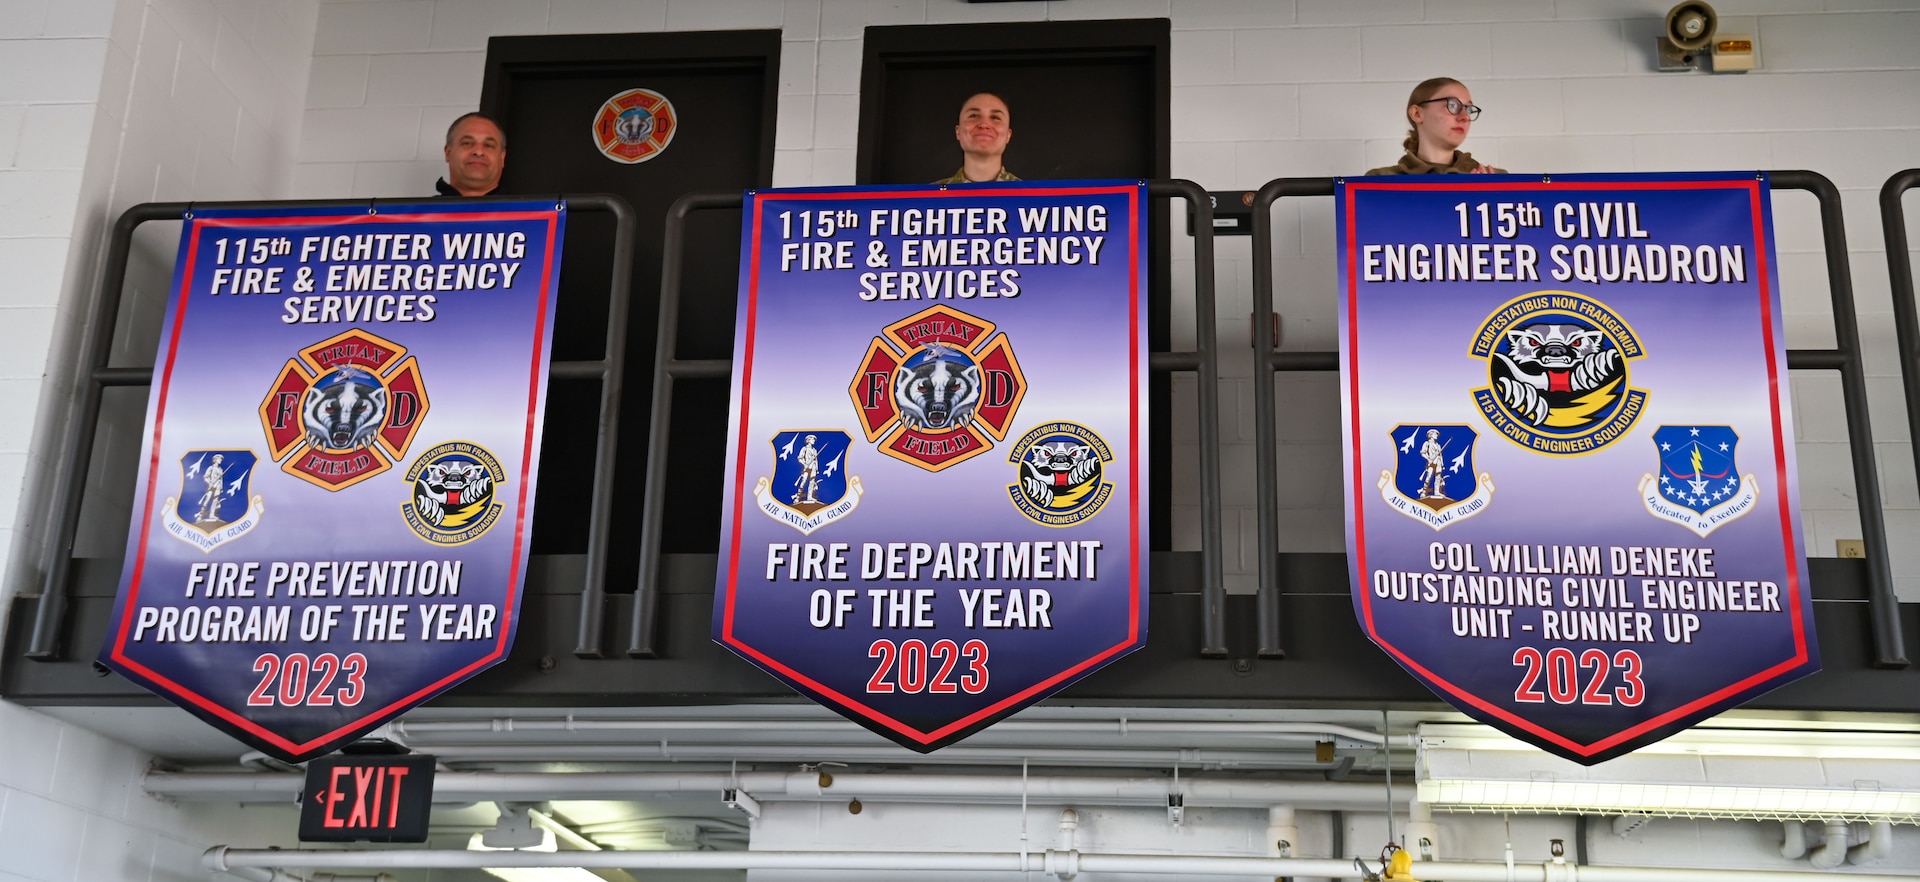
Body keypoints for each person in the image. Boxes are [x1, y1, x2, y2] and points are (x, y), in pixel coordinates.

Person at [1366, 78, 1504, 176]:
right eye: (1453, 105)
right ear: (1417, 113)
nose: (1464, 116)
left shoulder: (1496, 179)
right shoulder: (1380, 181)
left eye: (1468, 108)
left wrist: (1488, 196)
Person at [934, 93, 1020, 184]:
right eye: (973, 116)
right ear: (958, 131)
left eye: (995, 117)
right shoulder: (929, 196)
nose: (983, 124)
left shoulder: (1030, 196)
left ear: (1008, 134)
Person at [436, 112, 507, 196]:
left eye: (488, 145)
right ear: (448, 153)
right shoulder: (420, 208)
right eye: (467, 143)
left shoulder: (522, 209)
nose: (478, 152)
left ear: (502, 157)